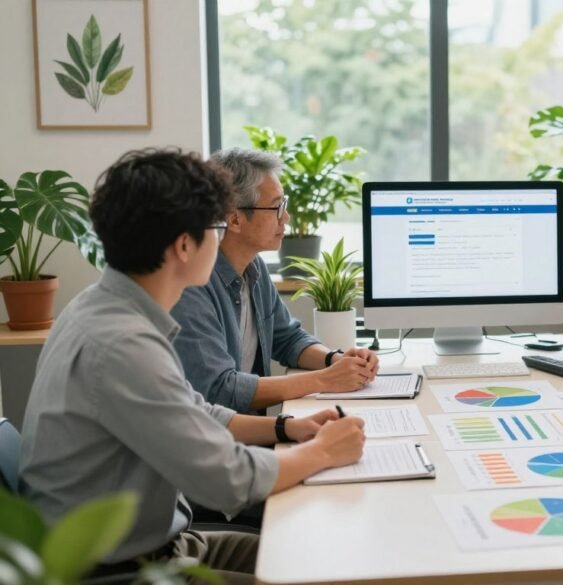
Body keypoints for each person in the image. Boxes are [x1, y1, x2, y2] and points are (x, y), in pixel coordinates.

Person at [19, 149, 366, 582]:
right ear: (185, 245)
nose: (220, 240)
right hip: (121, 570)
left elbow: (193, 409)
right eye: (216, 227)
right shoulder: (124, 345)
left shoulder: (105, 309)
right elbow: (230, 481)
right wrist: (324, 451)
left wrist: (285, 429)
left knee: (310, 555)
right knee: (313, 567)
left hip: (164, 545)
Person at [171, 148, 378, 413]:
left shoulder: (253, 265)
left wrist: (335, 360)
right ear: (234, 218)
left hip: (252, 432)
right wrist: (324, 380)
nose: (286, 217)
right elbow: (219, 390)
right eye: (277, 206)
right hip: (220, 443)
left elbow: (286, 338)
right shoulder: (192, 286)